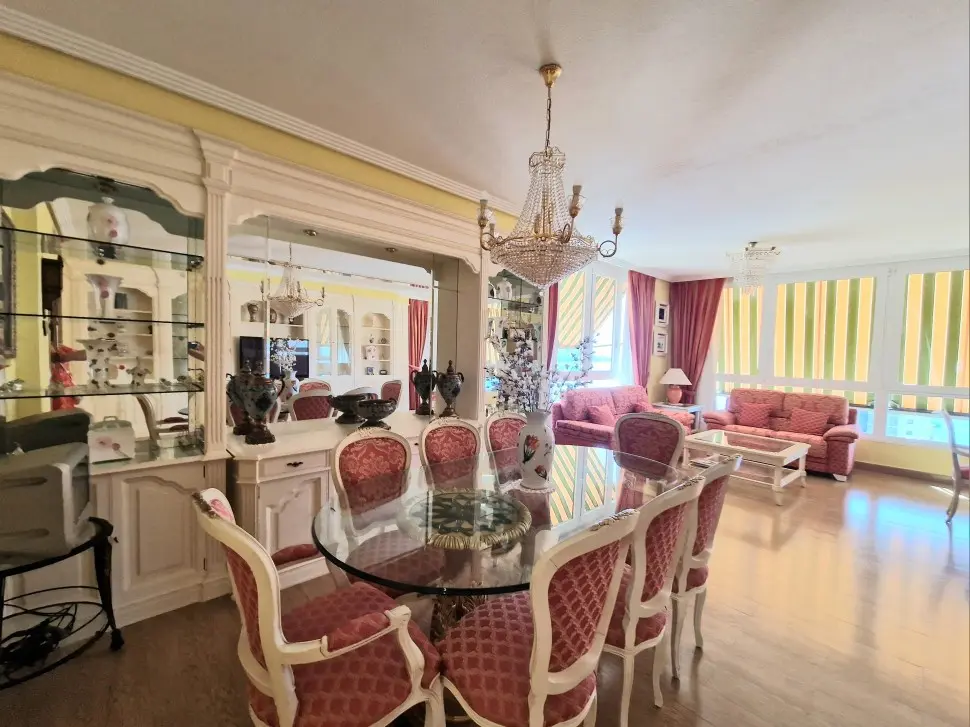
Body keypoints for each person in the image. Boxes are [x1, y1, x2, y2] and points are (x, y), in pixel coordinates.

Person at [50, 343, 86, 410]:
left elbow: (77, 400)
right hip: (61, 406)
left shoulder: (63, 355)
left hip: (64, 406)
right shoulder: (60, 351)